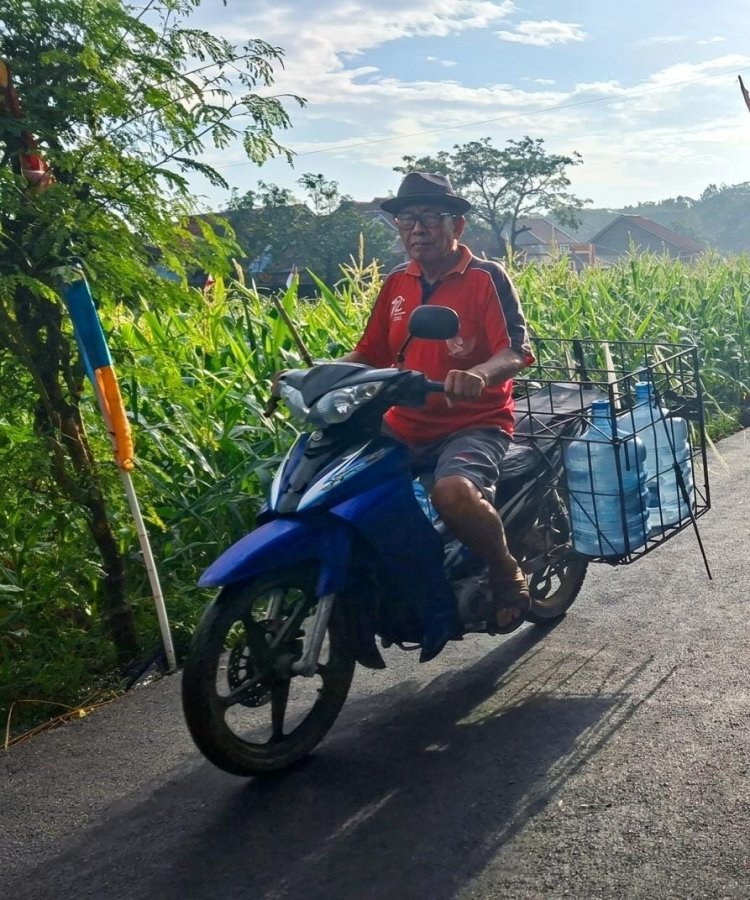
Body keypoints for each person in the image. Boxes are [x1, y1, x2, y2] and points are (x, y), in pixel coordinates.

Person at [340, 171, 534, 633]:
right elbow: (371, 352)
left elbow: (516, 350)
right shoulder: (397, 283)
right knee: (342, 485)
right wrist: (320, 376)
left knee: (452, 492)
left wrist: (478, 375)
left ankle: (506, 570)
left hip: (475, 422)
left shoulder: (486, 277)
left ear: (457, 226)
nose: (417, 229)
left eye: (430, 217)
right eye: (407, 219)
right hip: (404, 421)